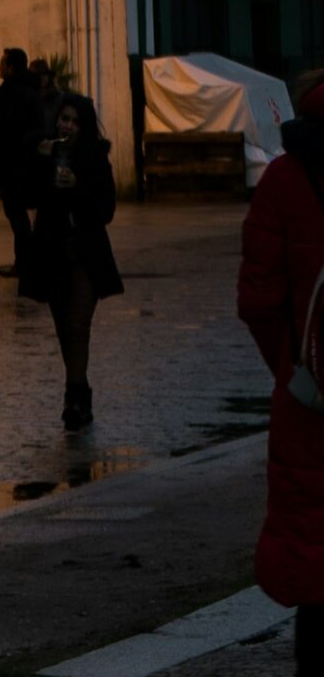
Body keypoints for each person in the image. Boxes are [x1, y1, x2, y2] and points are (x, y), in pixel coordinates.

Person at [238, 68, 324, 670]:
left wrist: (297, 369)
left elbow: (258, 302)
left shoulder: (284, 180)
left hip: (309, 403)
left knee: (315, 576)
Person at [20, 92, 121, 428]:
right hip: (53, 252)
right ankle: (81, 391)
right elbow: (29, 196)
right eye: (64, 119)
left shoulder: (95, 158)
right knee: (64, 327)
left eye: (75, 121)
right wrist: (39, 161)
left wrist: (77, 187)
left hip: (85, 253)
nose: (69, 126)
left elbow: (105, 209)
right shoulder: (47, 152)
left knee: (78, 325)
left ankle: (73, 398)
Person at [0, 47, 43, 279]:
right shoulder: (28, 92)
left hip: (14, 164)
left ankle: (26, 261)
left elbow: (5, 125)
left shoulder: (14, 93)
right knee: (18, 215)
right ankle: (27, 260)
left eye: (2, 64)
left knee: (17, 215)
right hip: (20, 162)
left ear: (11, 68)